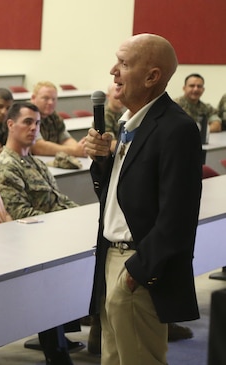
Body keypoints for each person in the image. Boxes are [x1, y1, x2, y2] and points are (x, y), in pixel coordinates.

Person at [84, 33, 202, 365]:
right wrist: (103, 162)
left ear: (152, 76)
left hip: (136, 267)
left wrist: (136, 273)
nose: (113, 71)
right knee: (113, 359)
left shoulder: (176, 129)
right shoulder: (129, 124)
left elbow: (177, 216)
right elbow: (120, 197)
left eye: (123, 64)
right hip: (112, 259)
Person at [0, 101, 80, 364]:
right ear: (10, 124)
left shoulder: (36, 163)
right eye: (27, 122)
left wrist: (84, 217)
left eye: (37, 123)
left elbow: (60, 200)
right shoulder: (6, 166)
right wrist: (68, 224)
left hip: (53, 240)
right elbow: (21, 217)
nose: (33, 128)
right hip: (30, 247)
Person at [29, 81, 87, 157]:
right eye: (45, 98)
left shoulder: (53, 116)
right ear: (33, 98)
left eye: (53, 99)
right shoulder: (28, 114)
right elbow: (38, 147)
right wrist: (74, 151)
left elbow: (65, 139)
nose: (50, 102)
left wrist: (79, 148)